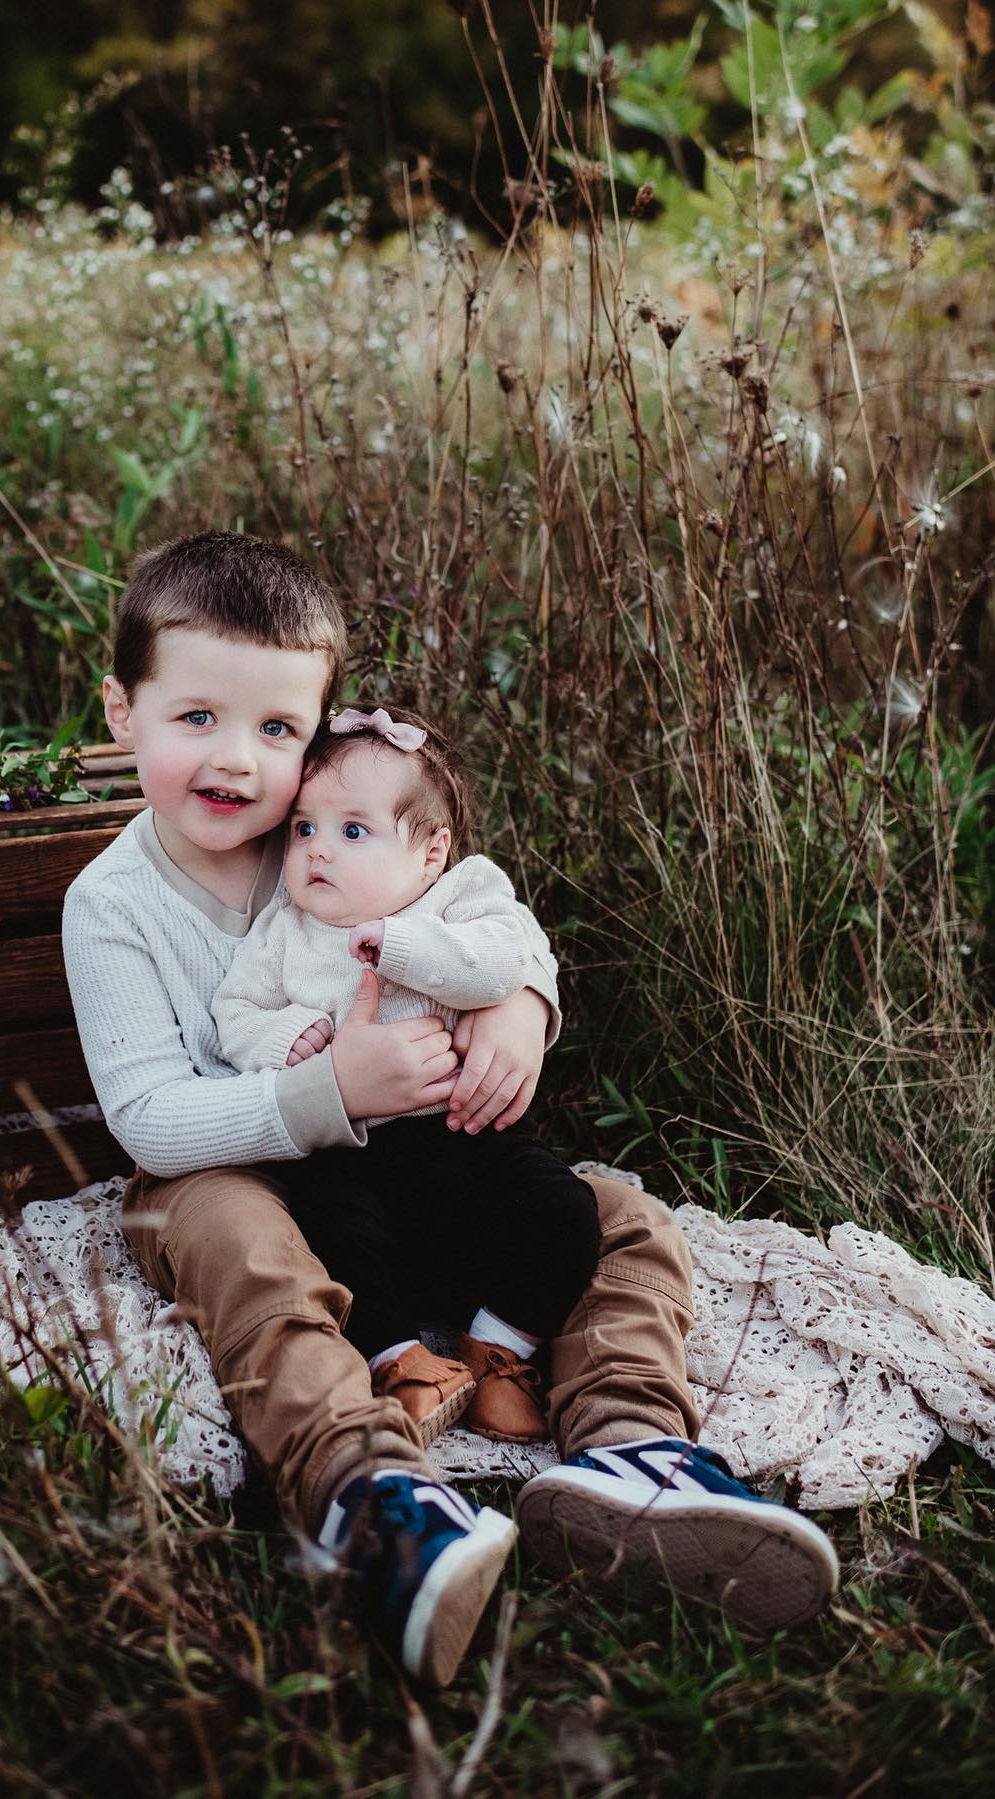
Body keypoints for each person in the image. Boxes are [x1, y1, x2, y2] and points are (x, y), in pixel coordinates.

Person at [62, 530, 839, 1687]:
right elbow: (150, 1121)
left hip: (405, 1173)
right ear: (123, 712)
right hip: (238, 1169)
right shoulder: (112, 904)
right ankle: (372, 1493)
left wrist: (524, 1004)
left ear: (318, 737)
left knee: (619, 1217)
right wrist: (329, 1090)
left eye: (277, 729)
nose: (237, 761)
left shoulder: (331, 827)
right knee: (235, 1239)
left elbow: (497, 915)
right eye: (196, 719)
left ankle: (636, 1456)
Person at [211, 701, 602, 1447]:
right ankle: (406, 1360)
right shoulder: (285, 930)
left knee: (565, 1211)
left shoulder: (461, 895)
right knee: (319, 1228)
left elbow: (500, 962)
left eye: (353, 831)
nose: (319, 850)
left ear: (430, 853)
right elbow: (236, 1012)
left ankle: (498, 1350)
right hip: (353, 1155)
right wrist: (288, 1035)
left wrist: (401, 947)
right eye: (304, 828)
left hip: (471, 1139)